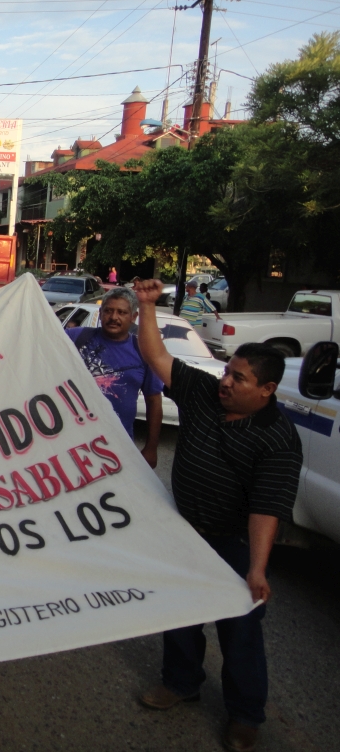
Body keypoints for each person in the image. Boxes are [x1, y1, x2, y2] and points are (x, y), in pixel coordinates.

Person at [133, 279, 302, 752]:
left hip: (235, 542)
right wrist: (147, 307)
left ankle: (245, 715)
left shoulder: (277, 439)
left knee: (240, 628)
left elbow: (267, 507)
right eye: (228, 371)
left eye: (240, 378)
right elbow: (157, 358)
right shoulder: (207, 393)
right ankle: (180, 682)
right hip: (186, 527)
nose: (226, 381)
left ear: (267, 390)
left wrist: (257, 568)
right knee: (181, 612)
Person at [65, 287, 163, 467]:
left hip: (119, 448)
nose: (114, 317)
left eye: (122, 312)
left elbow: (154, 400)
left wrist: (151, 447)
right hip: (70, 444)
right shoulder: (75, 337)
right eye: (108, 311)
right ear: (100, 313)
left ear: (133, 317)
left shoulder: (144, 352)